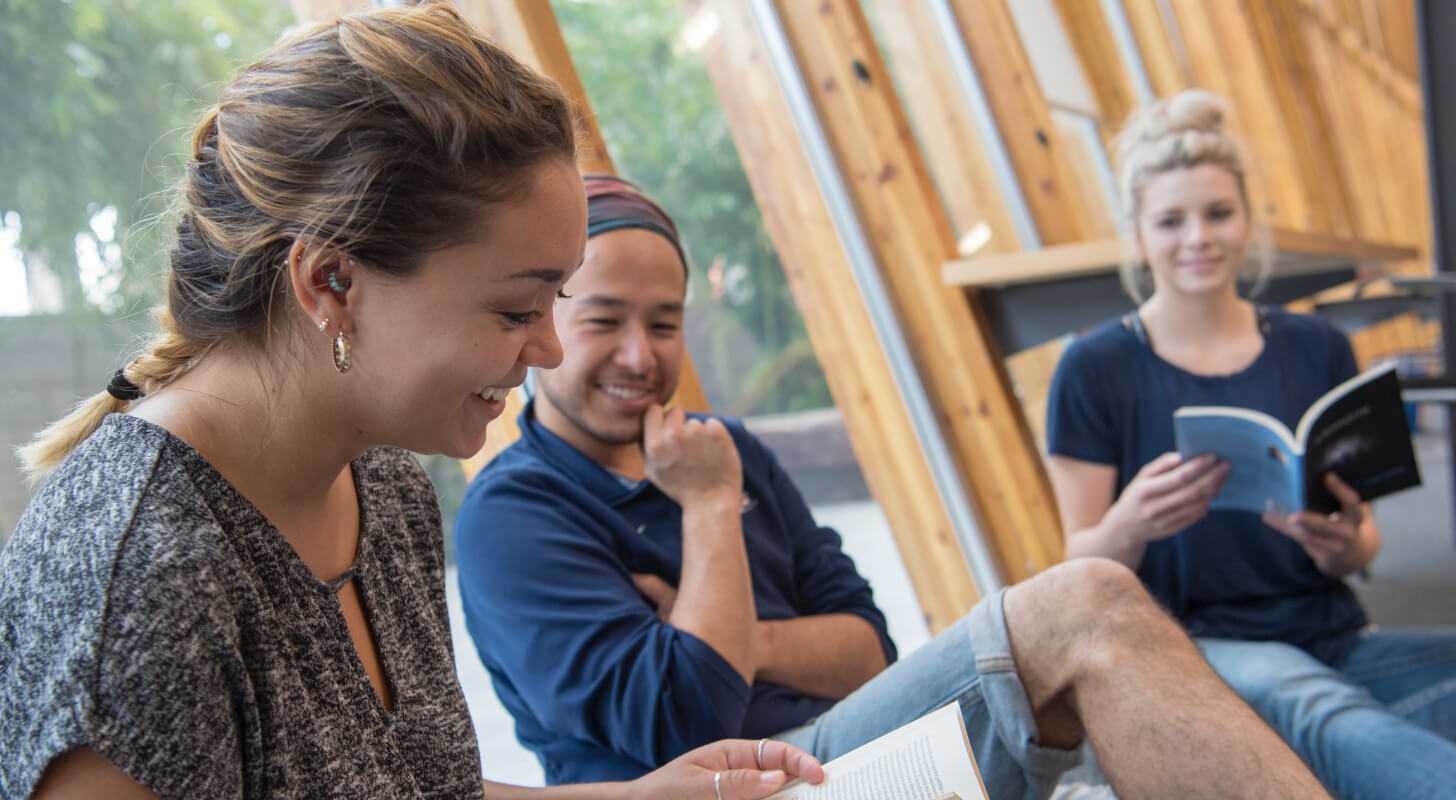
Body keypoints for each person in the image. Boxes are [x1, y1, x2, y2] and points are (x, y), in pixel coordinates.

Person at [0, 6, 827, 799]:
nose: (549, 349)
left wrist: (636, 795)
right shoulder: (136, 584)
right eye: (517, 310)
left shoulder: (385, 482)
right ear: (331, 282)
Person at [454, 174, 1331, 799]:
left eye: (666, 322)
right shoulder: (512, 514)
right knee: (1087, 604)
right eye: (604, 320)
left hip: (847, 749)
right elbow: (686, 717)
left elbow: (869, 646)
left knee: (1129, 668)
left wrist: (727, 634)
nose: (642, 356)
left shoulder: (733, 447)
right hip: (728, 787)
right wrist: (713, 509)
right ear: (545, 324)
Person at [1044, 89, 1456, 799]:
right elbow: (1077, 559)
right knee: (1322, 711)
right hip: (1195, 651)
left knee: (1356, 702)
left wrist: (1346, 545)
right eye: (1171, 220)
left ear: (1246, 222)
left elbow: (1366, 543)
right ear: (1138, 235)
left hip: (1332, 633)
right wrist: (1130, 525)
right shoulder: (1095, 367)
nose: (1198, 237)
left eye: (1218, 213)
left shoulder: (1316, 346)